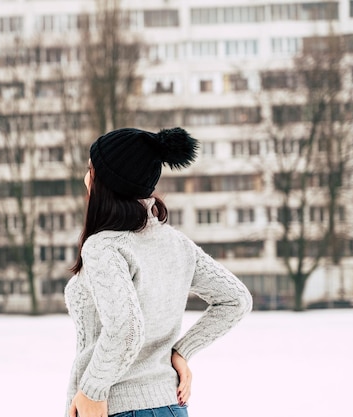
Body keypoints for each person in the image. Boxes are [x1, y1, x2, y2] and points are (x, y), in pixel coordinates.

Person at [65, 127, 253, 417]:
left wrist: (92, 390)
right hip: (171, 407)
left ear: (107, 182)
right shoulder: (175, 243)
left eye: (91, 169)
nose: (86, 178)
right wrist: (181, 352)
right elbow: (236, 299)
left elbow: (126, 330)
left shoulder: (103, 247)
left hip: (116, 408)